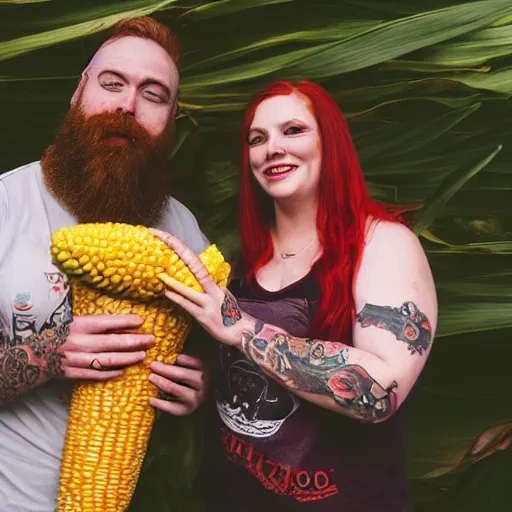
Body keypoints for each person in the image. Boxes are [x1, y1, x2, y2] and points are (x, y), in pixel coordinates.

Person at [154, 80, 438, 511]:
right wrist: (203, 390)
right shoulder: (239, 261)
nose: (272, 148)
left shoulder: (384, 244)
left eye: (293, 130)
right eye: (257, 138)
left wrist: (240, 328)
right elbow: (240, 379)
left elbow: (378, 393)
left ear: (331, 142)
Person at [0, 17, 209, 511]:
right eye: (111, 84)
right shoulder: (8, 203)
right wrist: (46, 357)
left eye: (153, 95)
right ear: (79, 93)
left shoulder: (186, 235)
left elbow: (209, 355)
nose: (127, 105)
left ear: (170, 119)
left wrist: (200, 391)